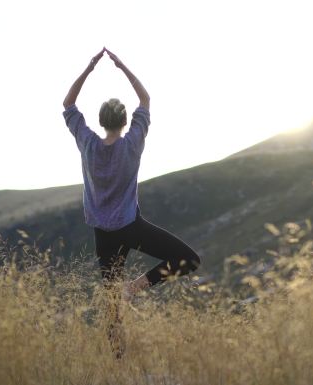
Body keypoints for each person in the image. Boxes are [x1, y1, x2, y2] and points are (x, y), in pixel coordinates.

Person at [62, 48, 202, 357]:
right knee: (187, 259)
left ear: (100, 121)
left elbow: (68, 104)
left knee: (112, 308)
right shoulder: (132, 143)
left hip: (103, 233)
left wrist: (88, 69)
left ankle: (118, 363)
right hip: (130, 226)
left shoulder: (87, 143)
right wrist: (123, 67)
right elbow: (146, 100)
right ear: (125, 121)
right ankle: (134, 288)